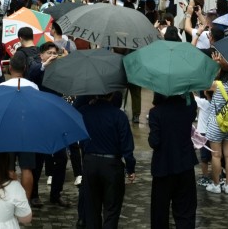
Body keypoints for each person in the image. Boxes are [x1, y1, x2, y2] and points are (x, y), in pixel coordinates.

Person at [76, 92, 135, 229]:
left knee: (91, 209)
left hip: (90, 162)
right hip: (112, 165)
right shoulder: (119, 116)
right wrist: (130, 168)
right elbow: (127, 145)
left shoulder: (85, 112)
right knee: (112, 210)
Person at [148, 93, 197, 229]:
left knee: (159, 213)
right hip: (185, 165)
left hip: (163, 168)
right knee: (185, 212)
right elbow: (193, 106)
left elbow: (154, 142)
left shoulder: (155, 113)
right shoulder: (187, 109)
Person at [205, 52, 228, 195]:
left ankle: (216, 185)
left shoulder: (217, 85)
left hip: (217, 123)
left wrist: (215, 65)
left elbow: (205, 84)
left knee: (216, 156)